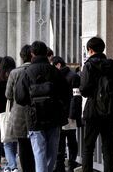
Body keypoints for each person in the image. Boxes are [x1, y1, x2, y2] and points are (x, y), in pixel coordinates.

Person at [15, 41, 71, 172]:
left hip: (34, 118)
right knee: (52, 151)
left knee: (39, 151)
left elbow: (20, 97)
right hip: (54, 116)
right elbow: (66, 94)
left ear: (32, 53)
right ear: (46, 53)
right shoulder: (55, 72)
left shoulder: (26, 72)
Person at [79, 37, 113, 172]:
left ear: (90, 50)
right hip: (109, 110)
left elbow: (84, 90)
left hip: (93, 110)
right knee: (107, 147)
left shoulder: (88, 66)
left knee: (88, 147)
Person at [5, 45, 36, 172]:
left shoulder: (15, 72)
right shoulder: (37, 70)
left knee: (23, 144)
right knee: (37, 144)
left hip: (19, 112)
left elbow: (8, 95)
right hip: (37, 110)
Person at [52, 56, 82, 172]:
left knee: (69, 139)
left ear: (58, 65)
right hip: (63, 113)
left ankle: (70, 163)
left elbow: (76, 97)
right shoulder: (60, 76)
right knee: (62, 139)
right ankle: (63, 164)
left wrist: (72, 114)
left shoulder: (72, 77)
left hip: (68, 114)